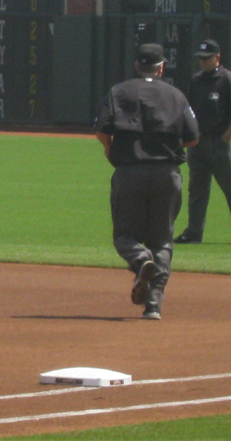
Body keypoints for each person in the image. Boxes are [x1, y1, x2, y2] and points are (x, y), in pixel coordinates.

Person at [95, 43, 200, 320]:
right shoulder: (176, 95)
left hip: (130, 172)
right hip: (167, 174)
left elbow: (102, 130)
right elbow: (193, 138)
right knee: (162, 240)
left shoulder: (119, 91)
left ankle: (142, 261)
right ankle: (153, 304)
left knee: (124, 237)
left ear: (137, 66)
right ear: (162, 66)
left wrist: (110, 151)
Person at [174, 39, 231, 245]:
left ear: (217, 57)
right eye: (201, 59)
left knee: (230, 188)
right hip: (198, 142)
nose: (203, 62)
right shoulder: (196, 80)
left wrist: (229, 134)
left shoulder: (228, 79)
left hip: (218, 142)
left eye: (207, 58)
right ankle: (194, 232)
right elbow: (188, 110)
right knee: (196, 189)